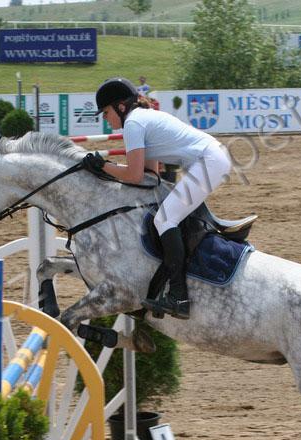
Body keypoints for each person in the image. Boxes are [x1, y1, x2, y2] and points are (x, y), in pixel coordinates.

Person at [82, 77, 232, 319]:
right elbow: (149, 176)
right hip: (210, 160)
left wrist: (103, 166)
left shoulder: (133, 124)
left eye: (106, 112)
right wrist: (106, 169)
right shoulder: (141, 119)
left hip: (209, 162)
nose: (106, 119)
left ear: (121, 106)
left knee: (164, 219)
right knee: (167, 217)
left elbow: (133, 174)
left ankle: (179, 296)